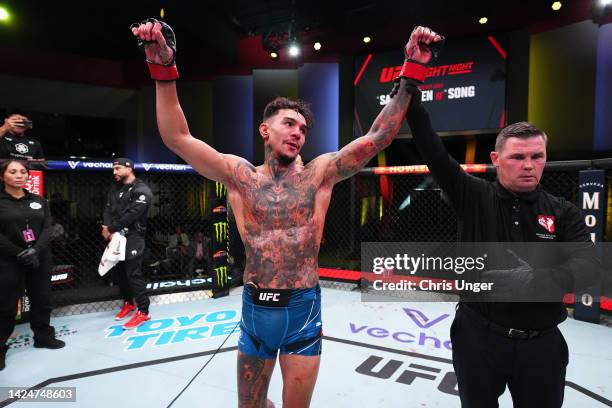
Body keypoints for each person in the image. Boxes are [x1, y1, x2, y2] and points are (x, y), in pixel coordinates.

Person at [132, 19, 441, 407]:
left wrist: (411, 72)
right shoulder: (238, 175)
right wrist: (163, 70)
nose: (297, 132)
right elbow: (177, 137)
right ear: (265, 130)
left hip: (303, 310)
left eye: (303, 129)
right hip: (256, 308)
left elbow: (379, 136)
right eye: (289, 124)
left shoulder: (320, 174)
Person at [405, 95, 600, 406]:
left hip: (541, 343)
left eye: (537, 156)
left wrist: (536, 280)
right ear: (496, 159)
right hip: (478, 337)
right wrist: (412, 101)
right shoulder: (473, 195)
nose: (528, 165)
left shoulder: (563, 212)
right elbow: (434, 152)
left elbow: (591, 267)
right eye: (517, 157)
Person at [0, 159, 65, 371]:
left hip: (39, 257)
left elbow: (47, 228)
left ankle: (43, 337)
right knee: (6, 305)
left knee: (42, 299)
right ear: (3, 176)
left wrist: (35, 250)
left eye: (23, 172)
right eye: (13, 172)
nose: (19, 175)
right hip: (9, 259)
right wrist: (19, 252)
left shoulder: (39, 200)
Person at [102, 157, 153, 330]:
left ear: (129, 168)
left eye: (117, 168)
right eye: (113, 169)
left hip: (133, 236)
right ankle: (128, 303)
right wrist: (108, 228)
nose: (114, 172)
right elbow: (108, 209)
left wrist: (111, 228)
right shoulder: (114, 188)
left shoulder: (141, 189)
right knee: (119, 272)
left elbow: (133, 214)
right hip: (116, 236)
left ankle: (144, 312)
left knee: (133, 273)